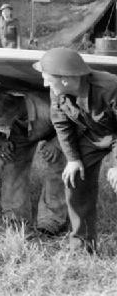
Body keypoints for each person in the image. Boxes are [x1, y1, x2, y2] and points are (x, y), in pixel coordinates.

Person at [34, 47, 117, 253]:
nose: (45, 84)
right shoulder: (57, 91)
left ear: (65, 79)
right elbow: (61, 124)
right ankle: (82, 247)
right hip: (92, 136)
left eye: (47, 78)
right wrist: (72, 159)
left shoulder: (111, 87)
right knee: (75, 180)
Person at [0, 91, 67, 234]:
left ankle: (51, 221)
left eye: (3, 125)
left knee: (57, 165)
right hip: (22, 130)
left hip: (58, 129)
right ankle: (15, 218)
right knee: (12, 163)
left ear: (14, 115)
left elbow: (77, 123)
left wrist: (56, 144)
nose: (1, 128)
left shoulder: (49, 107)